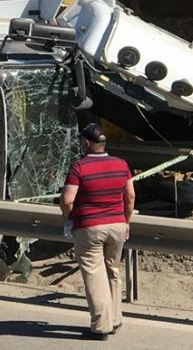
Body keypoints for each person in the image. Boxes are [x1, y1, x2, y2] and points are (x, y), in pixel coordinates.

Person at [59, 123, 135, 341]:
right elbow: (130, 197)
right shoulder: (121, 164)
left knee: (94, 273)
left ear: (85, 143)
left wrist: (68, 217)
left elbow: (67, 200)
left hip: (90, 226)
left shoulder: (79, 167)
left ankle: (101, 325)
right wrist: (126, 221)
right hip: (118, 225)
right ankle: (115, 318)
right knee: (113, 269)